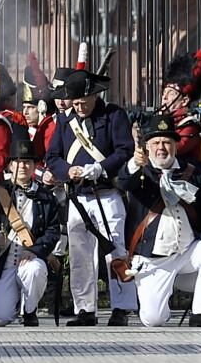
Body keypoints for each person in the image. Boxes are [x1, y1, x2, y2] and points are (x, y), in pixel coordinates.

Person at [45, 50, 136, 326]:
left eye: (84, 100)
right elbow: (53, 157)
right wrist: (66, 171)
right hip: (77, 196)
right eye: (76, 101)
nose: (80, 106)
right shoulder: (65, 121)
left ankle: (122, 306)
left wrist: (102, 168)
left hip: (106, 194)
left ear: (95, 96)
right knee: (80, 255)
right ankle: (85, 308)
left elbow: (125, 150)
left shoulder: (114, 116)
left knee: (116, 251)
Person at [118, 118, 201, 328]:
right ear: (147, 147)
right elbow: (124, 181)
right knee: (154, 319)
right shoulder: (140, 172)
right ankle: (163, 295)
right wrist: (134, 163)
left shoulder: (192, 172)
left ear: (176, 146)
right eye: (156, 143)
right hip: (154, 259)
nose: (162, 148)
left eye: (167, 142)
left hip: (186, 252)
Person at [0, 142, 61, 327]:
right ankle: (7, 304)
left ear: (34, 166)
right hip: (4, 264)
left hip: (31, 259)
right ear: (10, 165)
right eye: (18, 162)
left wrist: (35, 251)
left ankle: (30, 311)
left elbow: (53, 231)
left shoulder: (46, 196)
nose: (23, 166)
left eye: (27, 162)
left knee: (35, 270)